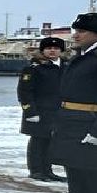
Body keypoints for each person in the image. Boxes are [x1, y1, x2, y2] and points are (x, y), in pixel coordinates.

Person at [50, 13, 97, 193]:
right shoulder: (84, 55)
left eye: (82, 31)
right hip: (72, 122)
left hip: (90, 122)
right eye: (75, 30)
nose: (76, 35)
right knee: (76, 173)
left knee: (93, 176)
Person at [18, 36, 67, 182]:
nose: (52, 51)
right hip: (39, 111)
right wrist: (30, 111)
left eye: (56, 48)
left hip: (58, 111)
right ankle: (36, 170)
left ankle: (48, 170)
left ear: (61, 50)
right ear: (43, 50)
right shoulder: (34, 68)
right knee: (38, 141)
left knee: (51, 141)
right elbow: (24, 91)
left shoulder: (66, 67)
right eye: (49, 48)